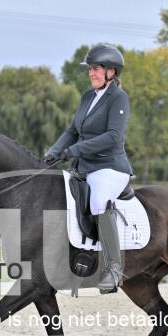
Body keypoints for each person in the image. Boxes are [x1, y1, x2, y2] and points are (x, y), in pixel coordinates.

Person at [44, 44, 135, 293]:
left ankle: (114, 268)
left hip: (110, 167)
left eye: (95, 69)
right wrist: (53, 152)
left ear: (111, 71)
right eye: (90, 69)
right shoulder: (87, 96)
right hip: (84, 166)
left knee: (98, 202)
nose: (91, 73)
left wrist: (74, 150)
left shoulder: (118, 98)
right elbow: (72, 131)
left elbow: (113, 136)